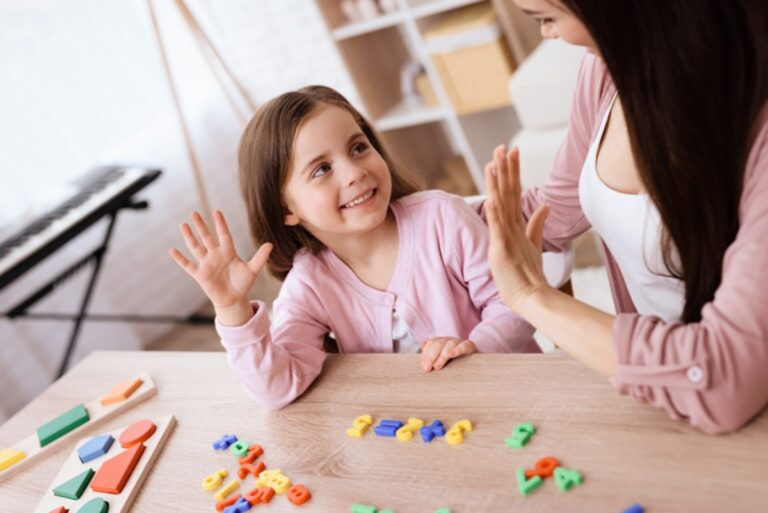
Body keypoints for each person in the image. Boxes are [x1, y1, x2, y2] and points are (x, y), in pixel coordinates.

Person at [485, 0, 768, 433]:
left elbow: (724, 377)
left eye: (546, 18)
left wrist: (531, 295)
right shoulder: (608, 70)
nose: (548, 35)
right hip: (664, 405)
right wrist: (419, 216)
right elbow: (555, 212)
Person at [169, 85, 537, 410]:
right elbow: (277, 389)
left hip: (511, 400)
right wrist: (232, 311)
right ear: (287, 211)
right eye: (321, 169)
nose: (354, 172)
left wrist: (476, 349)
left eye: (358, 148)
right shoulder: (310, 284)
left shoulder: (443, 217)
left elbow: (516, 304)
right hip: (421, 431)